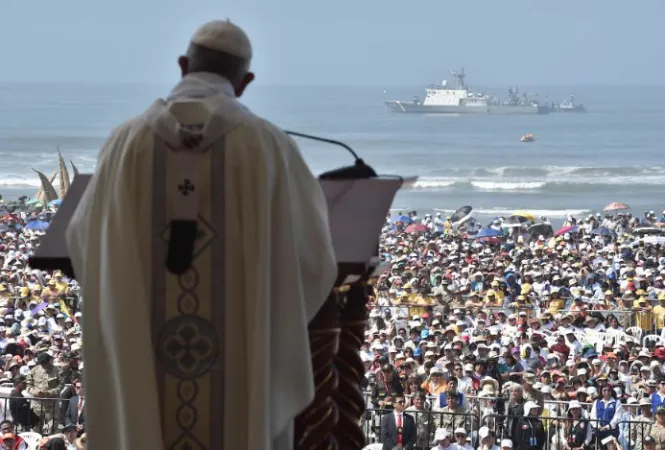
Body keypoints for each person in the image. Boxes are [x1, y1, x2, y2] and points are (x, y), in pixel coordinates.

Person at [65, 18, 337, 450]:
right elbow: (313, 258)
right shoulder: (266, 146)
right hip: (240, 377)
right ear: (245, 82)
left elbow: (84, 241)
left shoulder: (126, 144)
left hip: (143, 365)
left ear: (182, 65)